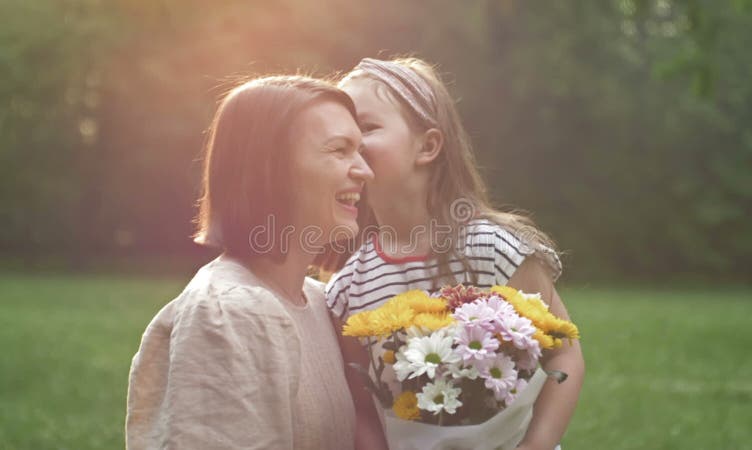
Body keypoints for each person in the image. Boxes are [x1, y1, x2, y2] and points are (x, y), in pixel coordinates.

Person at [324, 57, 584, 450]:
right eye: (341, 136)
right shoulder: (349, 288)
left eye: (367, 128)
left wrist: (537, 445)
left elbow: (564, 359)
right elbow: (361, 408)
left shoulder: (494, 251)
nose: (352, 144)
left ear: (427, 146)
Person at [126, 75, 375, 449]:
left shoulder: (321, 302)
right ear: (269, 167)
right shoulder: (228, 312)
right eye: (339, 151)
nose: (364, 170)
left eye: (360, 151)